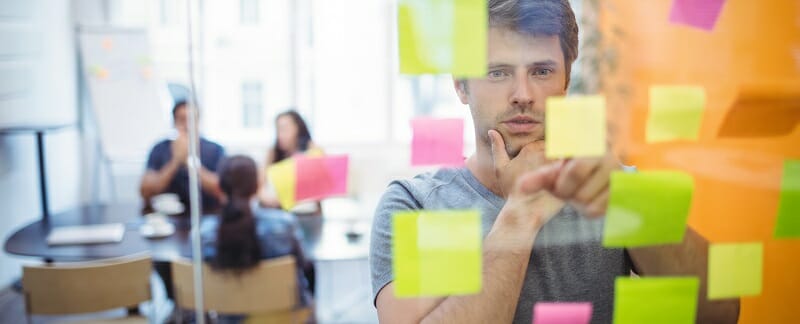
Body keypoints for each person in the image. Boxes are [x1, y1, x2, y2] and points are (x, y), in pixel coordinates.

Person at [369, 1, 740, 323]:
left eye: (541, 71)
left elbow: (720, 314)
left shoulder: (610, 186)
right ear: (461, 86)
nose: (523, 95)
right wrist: (519, 217)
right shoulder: (414, 205)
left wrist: (626, 199)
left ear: (565, 80)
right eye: (498, 72)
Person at [201, 155, 314, 322]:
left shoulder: (204, 234)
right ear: (257, 186)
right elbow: (304, 265)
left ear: (219, 188)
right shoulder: (284, 225)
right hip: (285, 318)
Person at [140, 100, 225, 212]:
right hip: (166, 219)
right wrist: (175, 161)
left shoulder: (215, 150)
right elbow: (146, 191)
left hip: (207, 216)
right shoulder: (160, 149)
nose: (187, 125)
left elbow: (222, 190)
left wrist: (190, 162)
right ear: (174, 122)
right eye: (182, 119)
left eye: (191, 120)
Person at [259, 110, 323, 215]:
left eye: (284, 129)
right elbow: (260, 187)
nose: (280, 135)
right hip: (278, 213)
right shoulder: (272, 153)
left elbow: (322, 188)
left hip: (307, 214)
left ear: (298, 129)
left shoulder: (312, 151)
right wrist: (266, 198)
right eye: (278, 130)